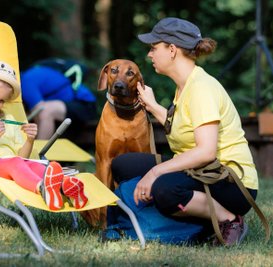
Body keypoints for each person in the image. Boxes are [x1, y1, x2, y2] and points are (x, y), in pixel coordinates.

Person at [110, 17, 258, 246]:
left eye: (153, 48)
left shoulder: (201, 89)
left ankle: (227, 219)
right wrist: (153, 106)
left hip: (232, 183)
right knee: (123, 165)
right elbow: (180, 127)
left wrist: (155, 172)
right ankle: (181, 220)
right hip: (199, 170)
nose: (149, 55)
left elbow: (206, 152)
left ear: (172, 50)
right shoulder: (184, 86)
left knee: (165, 189)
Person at [0, 58, 88, 210]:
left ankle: (66, 187)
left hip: (15, 163)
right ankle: (43, 189)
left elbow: (22, 157)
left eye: (1, 101)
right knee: (15, 163)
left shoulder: (8, 120)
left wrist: (30, 140)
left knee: (37, 166)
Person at [21, 60, 97, 139]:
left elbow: (38, 110)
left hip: (85, 104)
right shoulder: (29, 75)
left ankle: (40, 148)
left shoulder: (26, 82)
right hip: (69, 105)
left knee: (45, 111)